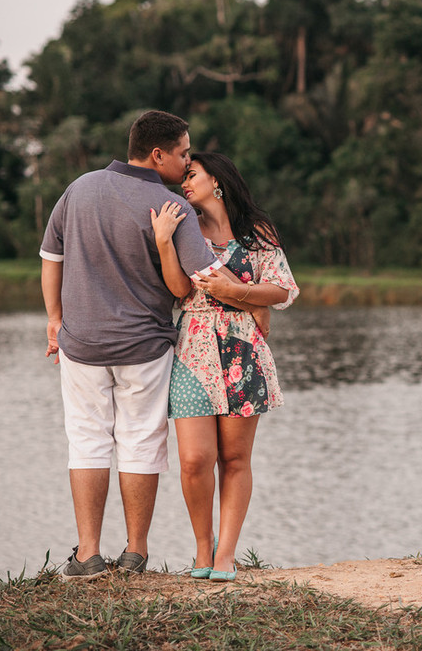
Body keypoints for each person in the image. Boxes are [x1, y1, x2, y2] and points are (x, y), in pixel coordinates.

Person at [40, 110, 226, 581]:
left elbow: (50, 257)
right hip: (145, 347)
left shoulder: (78, 189)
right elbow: (203, 276)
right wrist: (267, 289)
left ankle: (88, 555)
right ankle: (135, 553)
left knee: (87, 442)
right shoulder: (171, 206)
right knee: (141, 442)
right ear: (157, 154)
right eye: (183, 153)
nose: (187, 163)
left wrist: (55, 321)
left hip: (81, 345)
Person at [149, 151, 298, 582]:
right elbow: (179, 289)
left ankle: (226, 555)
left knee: (234, 458)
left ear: (217, 180)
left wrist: (240, 295)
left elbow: (283, 290)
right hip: (192, 349)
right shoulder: (185, 226)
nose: (184, 183)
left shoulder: (257, 231)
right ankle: (203, 546)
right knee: (195, 460)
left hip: (243, 350)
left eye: (191, 174)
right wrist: (164, 242)